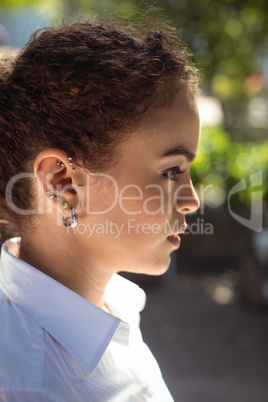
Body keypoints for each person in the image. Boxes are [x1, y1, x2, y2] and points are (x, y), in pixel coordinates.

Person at [0, 19, 200, 401]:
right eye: (172, 171)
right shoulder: (29, 387)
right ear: (63, 184)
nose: (192, 200)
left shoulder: (115, 306)